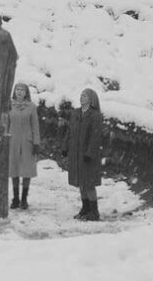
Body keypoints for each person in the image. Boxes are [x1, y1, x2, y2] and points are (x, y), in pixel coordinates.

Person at [61, 88, 104, 221]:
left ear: (91, 99)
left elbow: (95, 137)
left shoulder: (95, 115)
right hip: (76, 154)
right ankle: (85, 208)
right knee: (81, 183)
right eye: (81, 96)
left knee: (89, 184)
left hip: (88, 156)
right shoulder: (76, 113)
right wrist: (65, 147)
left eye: (84, 96)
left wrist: (89, 153)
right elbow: (69, 131)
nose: (81, 98)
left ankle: (94, 211)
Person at [5, 83, 41, 209]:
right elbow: (6, 124)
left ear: (26, 93)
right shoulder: (9, 106)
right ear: (14, 92)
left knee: (26, 170)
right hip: (13, 142)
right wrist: (5, 139)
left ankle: (24, 198)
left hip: (27, 143)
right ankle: (15, 198)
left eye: (22, 90)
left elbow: (35, 125)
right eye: (17, 90)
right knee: (14, 169)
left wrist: (36, 142)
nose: (19, 92)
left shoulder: (31, 107)